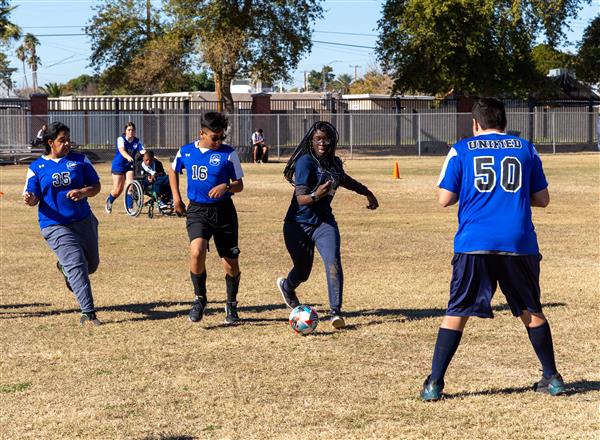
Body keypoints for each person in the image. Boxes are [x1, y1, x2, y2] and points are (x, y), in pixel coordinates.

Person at [421, 98, 564, 401]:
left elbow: (444, 199)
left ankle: (434, 383)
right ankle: (552, 378)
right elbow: (543, 199)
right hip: (518, 243)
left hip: (475, 243)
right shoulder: (525, 148)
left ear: (475, 123)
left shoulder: (460, 149)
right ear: (505, 122)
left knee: (457, 310)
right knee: (531, 311)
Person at [277, 121, 379, 329]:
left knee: (333, 262)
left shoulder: (335, 164)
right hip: (298, 224)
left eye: (326, 138)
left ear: (333, 140)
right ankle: (287, 287)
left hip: (324, 223)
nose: (323, 143)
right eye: (318, 139)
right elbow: (301, 199)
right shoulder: (305, 162)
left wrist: (367, 192)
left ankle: (335, 313)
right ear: (312, 141)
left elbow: (345, 180)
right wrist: (316, 195)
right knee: (303, 271)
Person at [168, 112, 245, 325]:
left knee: (230, 263)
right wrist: (176, 198)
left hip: (224, 212)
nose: (219, 141)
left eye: (222, 137)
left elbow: (240, 184)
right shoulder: (186, 151)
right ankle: (199, 299)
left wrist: (227, 186)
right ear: (202, 133)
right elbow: (173, 170)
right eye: (215, 137)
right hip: (197, 211)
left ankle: (231, 304)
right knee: (197, 251)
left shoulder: (228, 154)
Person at [23, 121, 102, 326]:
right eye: (62, 140)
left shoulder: (80, 160)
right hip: (54, 224)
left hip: (84, 220)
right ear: (50, 142)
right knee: (76, 263)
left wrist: (83, 192)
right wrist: (31, 199)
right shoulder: (37, 167)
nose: (67, 143)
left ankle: (64, 268)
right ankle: (88, 312)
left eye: (68, 139)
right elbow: (32, 196)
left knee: (91, 265)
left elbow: (96, 186)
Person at [105, 122, 146, 213]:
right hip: (118, 166)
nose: (131, 131)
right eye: (129, 130)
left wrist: (151, 157)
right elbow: (122, 150)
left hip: (129, 166)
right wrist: (128, 157)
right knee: (118, 190)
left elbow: (143, 151)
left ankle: (130, 208)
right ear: (125, 131)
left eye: (132, 130)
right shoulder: (121, 139)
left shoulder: (137, 141)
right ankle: (109, 201)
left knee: (130, 186)